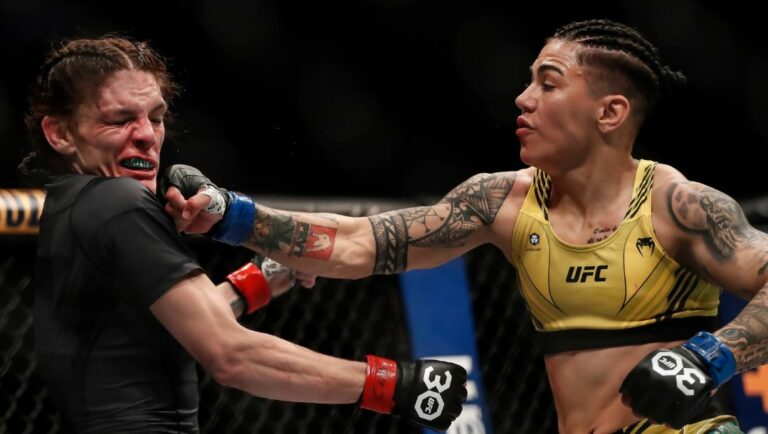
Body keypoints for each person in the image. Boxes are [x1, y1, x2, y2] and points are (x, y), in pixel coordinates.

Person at [163, 19, 764, 433]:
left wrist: (709, 357)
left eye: (548, 83)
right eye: (528, 80)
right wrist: (231, 215)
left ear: (610, 112)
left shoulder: (677, 206)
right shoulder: (500, 201)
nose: (523, 98)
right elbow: (359, 242)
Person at [20, 35, 467, 433]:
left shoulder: (72, 206)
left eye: (155, 117)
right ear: (60, 132)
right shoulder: (118, 202)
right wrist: (392, 385)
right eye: (120, 120)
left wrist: (266, 276)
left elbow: (182, 328)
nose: (146, 137)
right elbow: (232, 356)